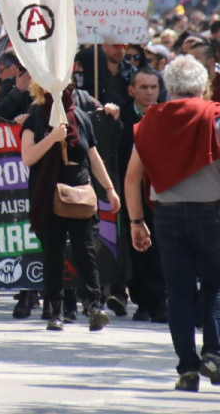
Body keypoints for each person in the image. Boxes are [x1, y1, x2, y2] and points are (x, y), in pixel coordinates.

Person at [125, 55, 220, 392]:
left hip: (166, 215)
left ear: (168, 87)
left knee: (178, 291)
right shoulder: (214, 117)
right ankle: (214, 353)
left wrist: (137, 221)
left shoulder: (152, 121)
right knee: (214, 285)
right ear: (203, 86)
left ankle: (187, 369)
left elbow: (132, 177)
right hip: (210, 213)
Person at [21, 80, 120, 333]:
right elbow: (28, 156)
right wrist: (53, 138)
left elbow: (93, 156)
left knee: (85, 250)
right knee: (53, 253)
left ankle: (93, 306)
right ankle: (56, 311)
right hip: (49, 194)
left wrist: (109, 189)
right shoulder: (36, 117)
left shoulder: (81, 118)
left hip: (79, 194)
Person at [117, 67, 166, 323]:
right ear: (131, 90)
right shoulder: (121, 117)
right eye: (143, 87)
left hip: (162, 193)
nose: (149, 92)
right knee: (137, 245)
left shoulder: (169, 116)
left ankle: (160, 300)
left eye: (153, 87)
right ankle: (142, 300)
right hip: (131, 191)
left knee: (160, 246)